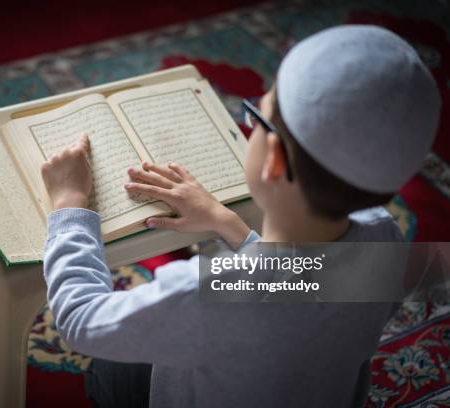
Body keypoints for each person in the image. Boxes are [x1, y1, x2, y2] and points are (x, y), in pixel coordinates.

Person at [39, 25, 440, 407]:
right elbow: (303, 285)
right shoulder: (383, 236)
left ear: (275, 159)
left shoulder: (210, 292)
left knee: (108, 367)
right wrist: (224, 222)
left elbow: (81, 320)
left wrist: (71, 205)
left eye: (256, 114)